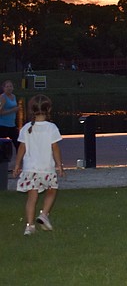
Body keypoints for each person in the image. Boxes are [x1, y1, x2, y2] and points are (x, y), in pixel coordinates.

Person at [13, 94, 64, 236]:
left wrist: (17, 164)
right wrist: (59, 165)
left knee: (32, 198)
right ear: (49, 109)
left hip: (30, 169)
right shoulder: (51, 128)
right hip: (46, 168)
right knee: (52, 190)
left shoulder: (26, 128)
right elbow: (55, 148)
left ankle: (29, 226)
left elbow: (21, 148)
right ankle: (44, 214)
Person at [0, 79, 20, 151]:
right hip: (3, 125)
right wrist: (13, 110)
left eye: (10, 86)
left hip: (12, 125)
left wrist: (16, 109)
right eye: (7, 86)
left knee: (18, 143)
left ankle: (19, 160)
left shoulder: (13, 96)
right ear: (4, 88)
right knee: (2, 145)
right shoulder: (2, 97)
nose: (9, 88)